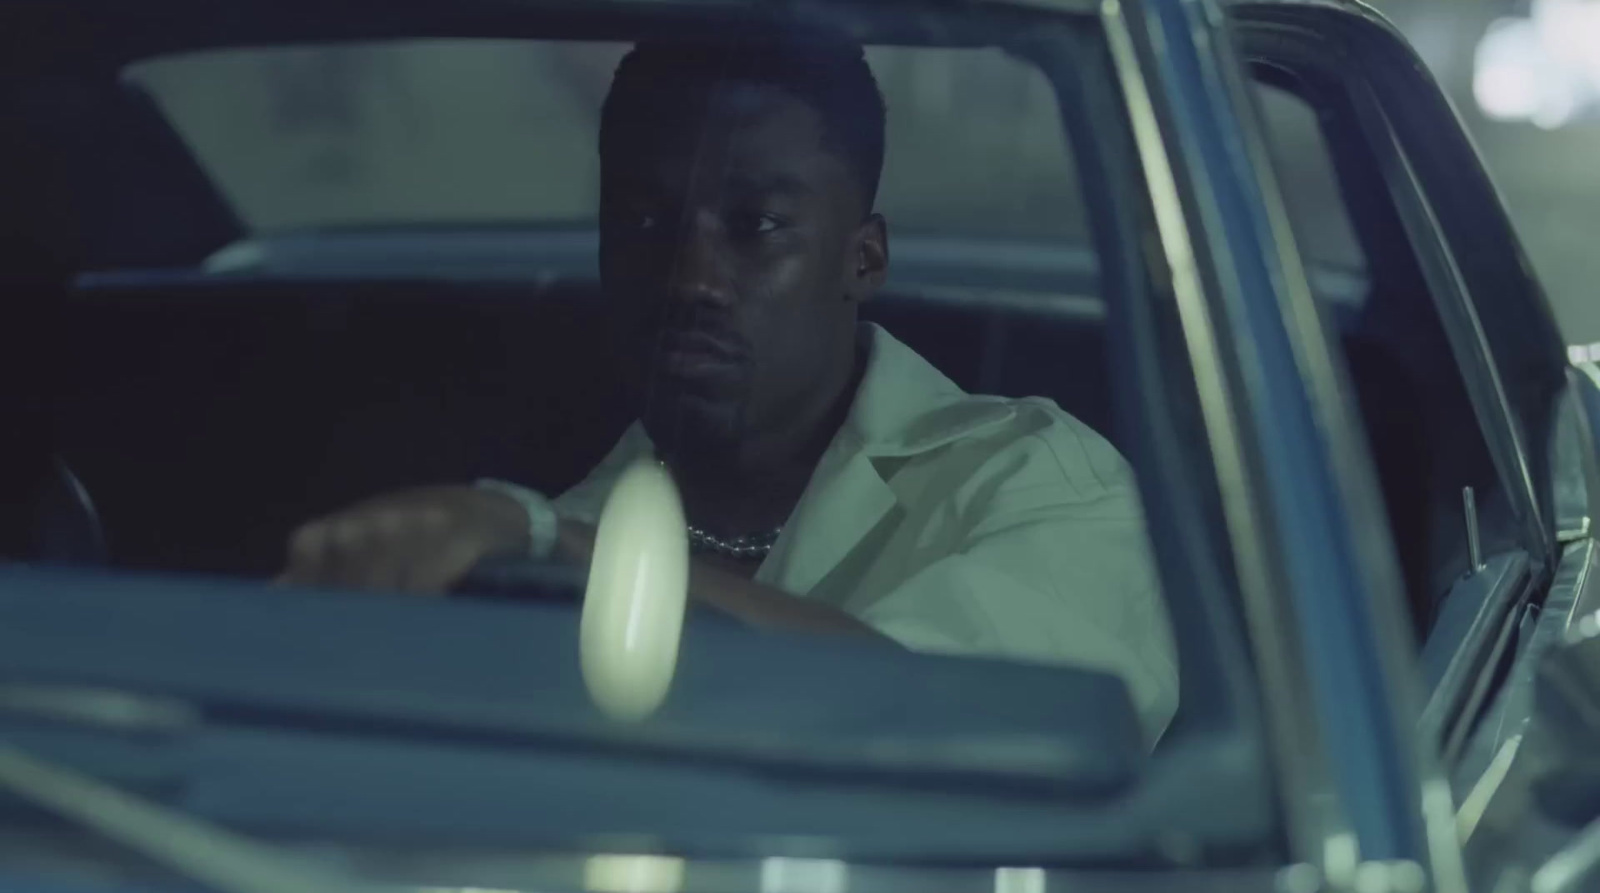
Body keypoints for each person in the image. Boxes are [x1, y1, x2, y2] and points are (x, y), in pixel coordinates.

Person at [281, 40, 1178, 740]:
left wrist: (553, 547)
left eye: (755, 225)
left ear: (861, 258)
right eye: (641, 220)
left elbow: (980, 723)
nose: (689, 278)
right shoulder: (544, 528)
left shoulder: (1034, 480)